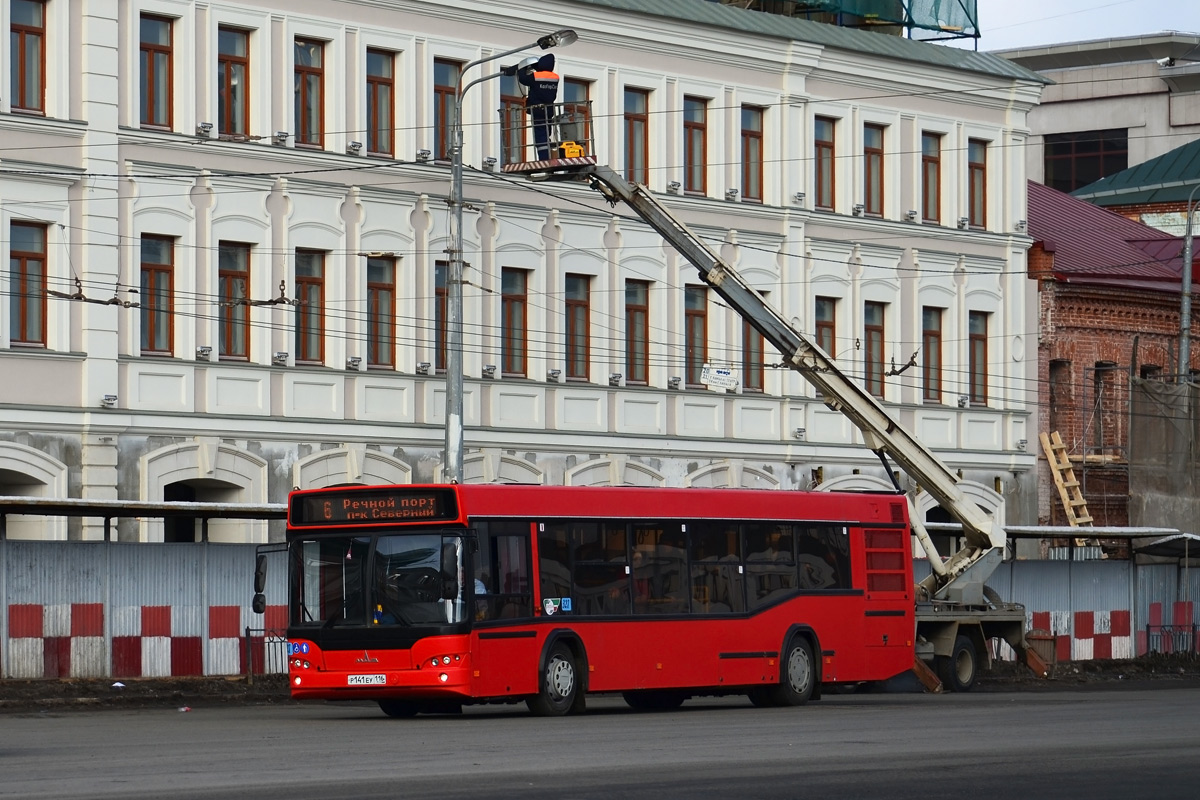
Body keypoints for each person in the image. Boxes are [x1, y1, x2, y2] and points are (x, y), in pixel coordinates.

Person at [518, 54, 560, 159]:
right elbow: (542, 78)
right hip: (549, 109)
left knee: (540, 134)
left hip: (537, 109)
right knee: (546, 132)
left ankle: (544, 158)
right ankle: (549, 155)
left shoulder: (536, 76)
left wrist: (521, 69)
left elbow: (523, 79)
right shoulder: (555, 77)